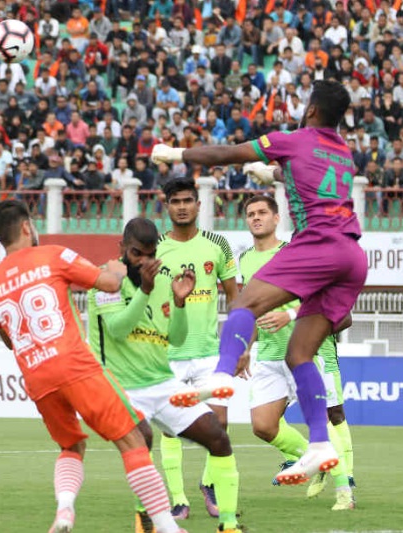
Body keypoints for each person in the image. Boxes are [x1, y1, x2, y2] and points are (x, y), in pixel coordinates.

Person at [151, 79, 366, 484]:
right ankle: (320, 445)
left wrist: (176, 153)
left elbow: (226, 154)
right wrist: (273, 174)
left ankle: (220, 376)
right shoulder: (343, 152)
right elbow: (312, 178)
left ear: (312, 110)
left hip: (318, 243)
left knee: (244, 305)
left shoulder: (295, 139)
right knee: (300, 354)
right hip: (352, 256)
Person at [0, 200, 186, 533]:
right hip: (75, 365)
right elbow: (109, 284)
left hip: (37, 377)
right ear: (26, 227)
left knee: (71, 446)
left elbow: (9, 340)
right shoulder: (52, 255)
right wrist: (118, 269)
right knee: (133, 441)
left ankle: (65, 510)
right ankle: (168, 528)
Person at [87, 217, 241, 533]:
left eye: (150, 254)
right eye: (136, 253)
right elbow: (117, 329)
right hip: (120, 385)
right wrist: (144, 290)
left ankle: (228, 525)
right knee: (142, 438)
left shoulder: (163, 280)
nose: (144, 261)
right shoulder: (106, 278)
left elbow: (178, 338)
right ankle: (146, 520)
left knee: (218, 436)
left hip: (162, 382)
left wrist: (180, 303)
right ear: (122, 248)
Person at [239, 195, 355, 511]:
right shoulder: (245, 260)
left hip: (300, 351)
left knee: (322, 420)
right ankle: (314, 459)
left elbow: (322, 302)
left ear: (277, 218)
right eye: (251, 214)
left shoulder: (294, 254)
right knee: (263, 426)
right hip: (268, 356)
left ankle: (344, 492)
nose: (256, 218)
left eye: (262, 212)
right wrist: (245, 347)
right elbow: (249, 308)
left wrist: (289, 315)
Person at [155, 178, 239, 519]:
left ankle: (209, 483)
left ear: (198, 205)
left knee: (219, 423)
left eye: (187, 200)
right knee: (170, 428)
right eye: (175, 201)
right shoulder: (156, 248)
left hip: (209, 353)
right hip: (168, 354)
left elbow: (235, 298)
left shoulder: (217, 244)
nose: (182, 207)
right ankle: (178, 499)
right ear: (167, 206)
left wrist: (240, 345)